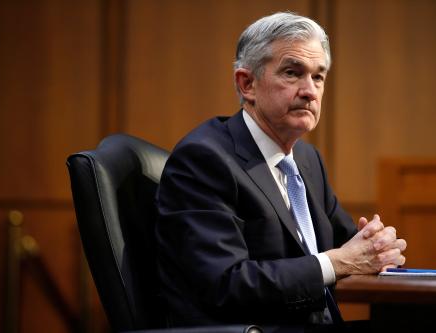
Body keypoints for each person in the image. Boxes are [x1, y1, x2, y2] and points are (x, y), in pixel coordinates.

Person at [155, 12, 407, 331]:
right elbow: (224, 285)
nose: (310, 91)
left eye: (318, 77)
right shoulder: (204, 159)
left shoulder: (306, 159)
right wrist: (341, 261)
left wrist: (378, 246)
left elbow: (349, 245)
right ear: (248, 84)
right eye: (292, 73)